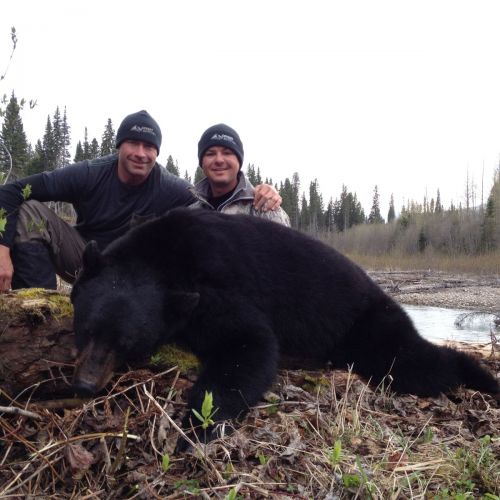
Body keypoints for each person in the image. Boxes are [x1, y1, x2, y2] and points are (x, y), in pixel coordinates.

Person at [0, 111, 282, 291]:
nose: (140, 153)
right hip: (85, 259)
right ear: (119, 146)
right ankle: (37, 309)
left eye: (149, 146)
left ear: (157, 153)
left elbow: (214, 200)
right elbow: (11, 192)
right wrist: (2, 251)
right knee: (29, 212)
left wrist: (261, 191)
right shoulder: (88, 174)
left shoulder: (175, 190)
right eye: (133, 143)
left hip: (131, 277)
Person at [191, 123, 290, 226]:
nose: (219, 160)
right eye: (210, 154)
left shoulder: (266, 209)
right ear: (202, 163)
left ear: (239, 161)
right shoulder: (191, 215)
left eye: (227, 153)